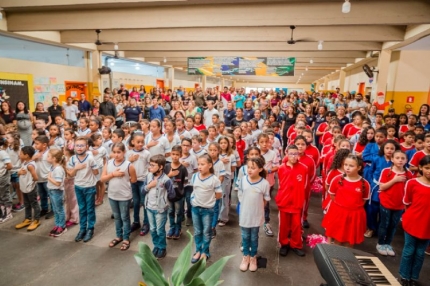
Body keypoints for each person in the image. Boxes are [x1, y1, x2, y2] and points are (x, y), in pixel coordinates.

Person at [322, 155, 370, 247]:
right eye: (345, 165)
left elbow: (364, 200)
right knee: (337, 240)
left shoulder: (365, 184)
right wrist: (341, 205)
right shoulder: (336, 179)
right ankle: (335, 259)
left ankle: (346, 259)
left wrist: (352, 207)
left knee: (349, 240)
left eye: (351, 166)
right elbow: (332, 195)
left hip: (355, 215)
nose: (347, 168)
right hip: (339, 213)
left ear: (359, 168)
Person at [399, 156, 430, 285]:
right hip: (412, 223)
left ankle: (414, 278)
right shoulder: (412, 183)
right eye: (427, 168)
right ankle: (404, 276)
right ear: (421, 168)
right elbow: (406, 202)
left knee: (419, 253)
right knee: (409, 251)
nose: (429, 171)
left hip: (427, 226)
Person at [101, 142, 137, 251]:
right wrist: (113, 175)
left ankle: (126, 238)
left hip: (124, 196)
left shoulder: (128, 165)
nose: (116, 155)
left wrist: (124, 181)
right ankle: (118, 235)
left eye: (119, 152)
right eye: (114, 152)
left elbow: (134, 179)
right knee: (116, 217)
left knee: (125, 217)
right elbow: (102, 179)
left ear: (124, 152)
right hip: (112, 195)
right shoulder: (109, 163)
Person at [376, 150, 412, 257]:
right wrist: (395, 180)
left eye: (402, 158)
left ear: (406, 160)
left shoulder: (408, 173)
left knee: (393, 225)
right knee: (384, 224)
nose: (400, 160)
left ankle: (388, 244)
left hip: (399, 205)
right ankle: (380, 243)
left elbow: (410, 189)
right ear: (392, 159)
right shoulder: (386, 171)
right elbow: (381, 187)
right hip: (386, 203)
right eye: (397, 158)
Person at [237, 157, 269, 272]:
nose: (249, 170)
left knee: (254, 237)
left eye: (253, 168)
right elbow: (240, 193)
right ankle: (246, 256)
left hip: (256, 215)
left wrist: (259, 210)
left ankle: (253, 256)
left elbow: (265, 199)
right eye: (248, 167)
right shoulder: (243, 180)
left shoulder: (264, 183)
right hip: (245, 214)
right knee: (245, 236)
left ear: (260, 169)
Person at [276, 145, 308, 257]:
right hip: (284, 202)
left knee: (296, 225)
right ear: (286, 153)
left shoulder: (304, 168)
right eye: (291, 154)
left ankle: (296, 245)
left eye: (295, 154)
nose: (293, 156)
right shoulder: (281, 168)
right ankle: (284, 244)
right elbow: (280, 184)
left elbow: (305, 185)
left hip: (297, 202)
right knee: (283, 225)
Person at [190, 154, 222, 263]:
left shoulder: (214, 179)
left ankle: (205, 251)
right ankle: (198, 250)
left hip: (207, 210)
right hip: (195, 208)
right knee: (197, 231)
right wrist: (193, 200)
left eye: (202, 164)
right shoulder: (194, 176)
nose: (199, 166)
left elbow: (218, 194)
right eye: (198, 164)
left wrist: (210, 201)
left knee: (206, 231)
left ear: (209, 165)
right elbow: (193, 189)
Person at [67, 137, 99, 243]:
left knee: (90, 209)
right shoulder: (72, 159)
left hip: (89, 187)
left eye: (82, 145)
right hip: (78, 186)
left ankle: (90, 229)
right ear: (74, 147)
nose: (79, 148)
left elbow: (96, 172)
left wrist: (92, 167)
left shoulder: (90, 158)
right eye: (77, 145)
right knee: (82, 208)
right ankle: (82, 229)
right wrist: (77, 168)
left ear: (87, 147)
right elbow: (70, 174)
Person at [144, 154, 175, 259]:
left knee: (160, 229)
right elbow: (142, 190)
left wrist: (165, 201)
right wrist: (149, 186)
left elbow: (172, 194)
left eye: (153, 165)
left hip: (160, 209)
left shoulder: (166, 180)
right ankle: (156, 245)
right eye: (150, 165)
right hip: (149, 208)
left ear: (161, 167)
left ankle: (162, 247)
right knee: (152, 229)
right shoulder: (148, 176)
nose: (150, 167)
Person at [126, 132, 151, 235]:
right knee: (136, 202)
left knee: (144, 202)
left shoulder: (146, 153)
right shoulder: (129, 153)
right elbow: (125, 165)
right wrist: (129, 160)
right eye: (138, 142)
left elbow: (151, 166)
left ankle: (146, 223)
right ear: (132, 142)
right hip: (133, 180)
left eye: (142, 142)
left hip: (143, 181)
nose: (140, 144)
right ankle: (136, 222)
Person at [165, 145, 188, 240]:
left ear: (180, 155)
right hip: (169, 195)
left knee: (179, 212)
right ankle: (172, 227)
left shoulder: (183, 168)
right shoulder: (166, 166)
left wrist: (182, 193)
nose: (174, 156)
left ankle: (178, 228)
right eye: (173, 154)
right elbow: (161, 180)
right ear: (170, 154)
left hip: (179, 196)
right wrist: (169, 175)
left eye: (177, 155)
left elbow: (185, 182)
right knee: (170, 212)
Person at [15, 146, 41, 231]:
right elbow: (20, 173)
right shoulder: (24, 163)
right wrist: (19, 173)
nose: (19, 155)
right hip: (24, 188)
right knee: (27, 204)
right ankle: (28, 219)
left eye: (21, 153)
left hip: (30, 188)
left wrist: (31, 184)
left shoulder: (30, 165)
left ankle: (36, 220)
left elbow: (36, 177)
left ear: (26, 155)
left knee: (34, 204)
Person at [46, 148, 67, 237]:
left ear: (54, 158)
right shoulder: (52, 167)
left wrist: (49, 178)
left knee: (59, 209)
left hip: (56, 191)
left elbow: (58, 183)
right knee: (55, 209)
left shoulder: (58, 169)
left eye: (48, 156)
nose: (46, 158)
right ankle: (57, 224)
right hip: (51, 190)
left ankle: (62, 226)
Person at [33, 135, 53, 220]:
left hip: (47, 179)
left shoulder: (49, 153)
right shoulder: (35, 153)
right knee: (42, 195)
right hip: (39, 179)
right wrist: (34, 157)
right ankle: (44, 208)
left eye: (37, 144)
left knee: (51, 195)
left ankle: (53, 209)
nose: (35, 145)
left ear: (44, 145)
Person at [0, 141, 12, 223]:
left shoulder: (2, 153)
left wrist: (3, 171)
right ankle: (2, 212)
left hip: (3, 176)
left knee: (4, 195)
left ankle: (8, 214)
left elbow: (9, 165)